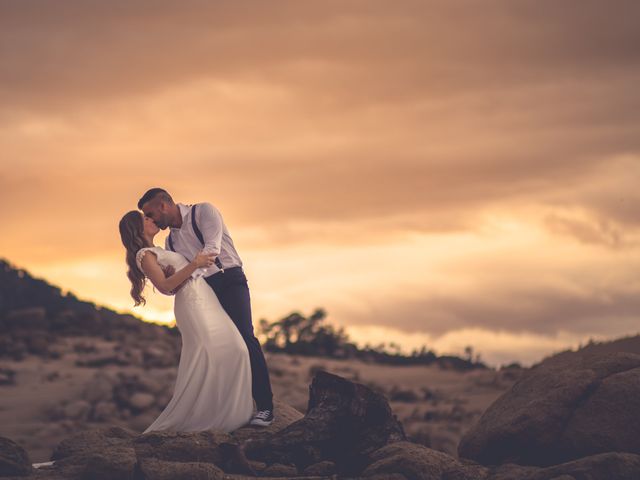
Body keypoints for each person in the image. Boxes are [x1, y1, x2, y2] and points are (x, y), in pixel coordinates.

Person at [138, 188, 275, 426]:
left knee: (244, 337)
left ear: (163, 205)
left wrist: (191, 271)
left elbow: (212, 249)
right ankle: (227, 408)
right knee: (218, 346)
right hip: (205, 292)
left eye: (151, 213)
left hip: (229, 279)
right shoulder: (171, 240)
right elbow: (179, 273)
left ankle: (265, 407)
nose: (152, 220)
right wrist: (181, 275)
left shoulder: (203, 212)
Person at [118, 210, 253, 433]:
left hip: (205, 298)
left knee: (236, 348)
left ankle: (221, 411)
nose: (151, 219)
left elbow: (172, 283)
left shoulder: (159, 250)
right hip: (193, 305)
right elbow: (165, 287)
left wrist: (182, 271)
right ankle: (213, 418)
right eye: (145, 219)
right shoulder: (145, 254)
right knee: (213, 353)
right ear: (137, 229)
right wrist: (195, 263)